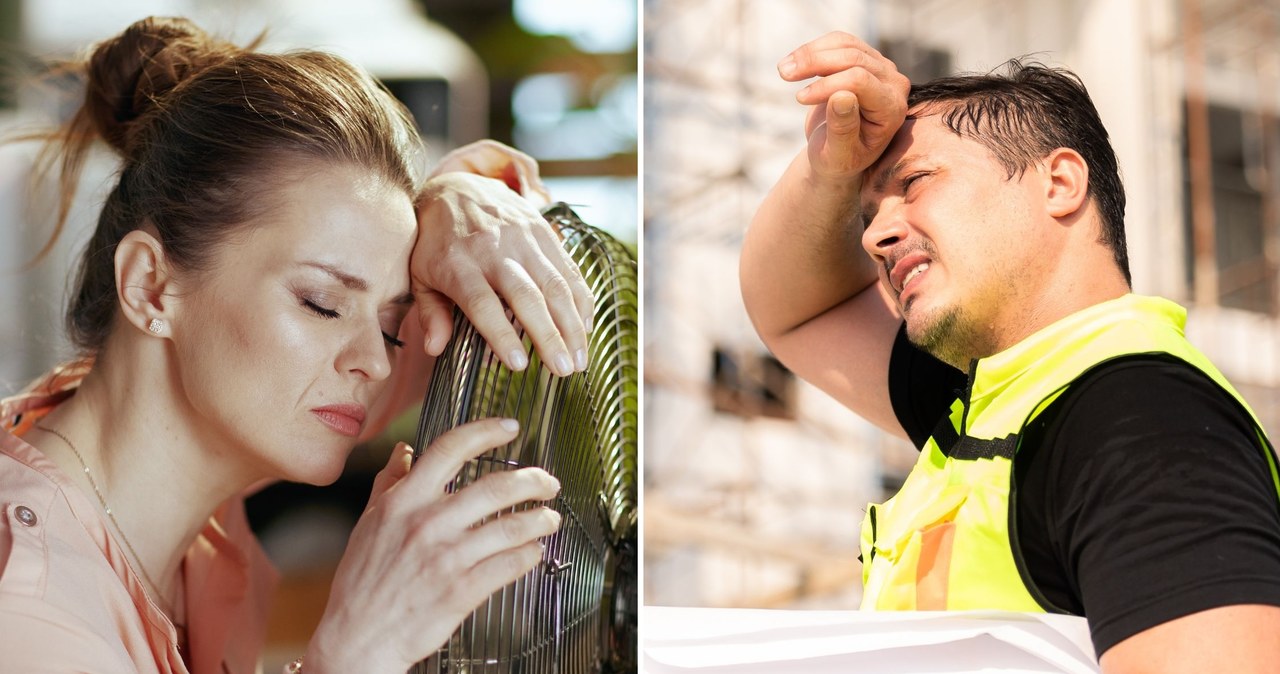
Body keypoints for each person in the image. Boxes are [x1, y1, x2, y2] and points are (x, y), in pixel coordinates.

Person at [0, 16, 596, 674]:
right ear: (150, 286)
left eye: (392, 324)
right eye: (321, 304)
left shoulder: (181, 442)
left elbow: (490, 286)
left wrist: (456, 196)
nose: (374, 362)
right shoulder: (30, 614)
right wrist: (353, 654)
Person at [740, 31, 1280, 672]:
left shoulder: (1138, 423)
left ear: (1059, 182)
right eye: (867, 215)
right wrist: (827, 167)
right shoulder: (1000, 403)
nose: (878, 235)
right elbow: (794, 308)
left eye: (913, 182)